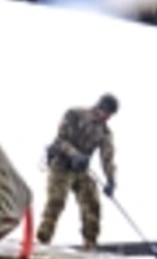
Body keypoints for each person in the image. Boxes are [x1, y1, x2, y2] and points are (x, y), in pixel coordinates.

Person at [37, 93, 118, 250]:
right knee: (56, 202)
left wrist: (111, 180)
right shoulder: (75, 114)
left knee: (92, 204)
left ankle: (90, 244)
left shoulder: (105, 132)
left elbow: (107, 158)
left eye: (109, 115)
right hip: (61, 165)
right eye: (105, 112)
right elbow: (60, 140)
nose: (106, 117)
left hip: (81, 170)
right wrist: (74, 154)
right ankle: (43, 241)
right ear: (99, 106)